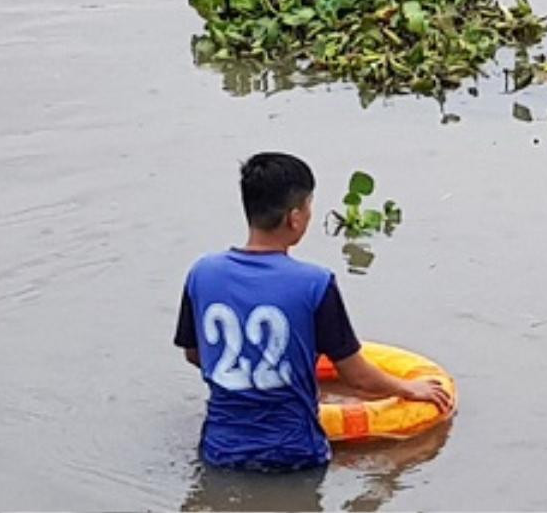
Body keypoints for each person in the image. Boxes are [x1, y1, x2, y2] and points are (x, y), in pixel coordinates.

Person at [173, 152, 452, 471]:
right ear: (294, 217)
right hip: (294, 455)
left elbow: (195, 355)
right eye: (308, 207)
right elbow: (358, 378)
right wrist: (408, 387)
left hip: (219, 452)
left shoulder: (202, 273)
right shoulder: (314, 283)